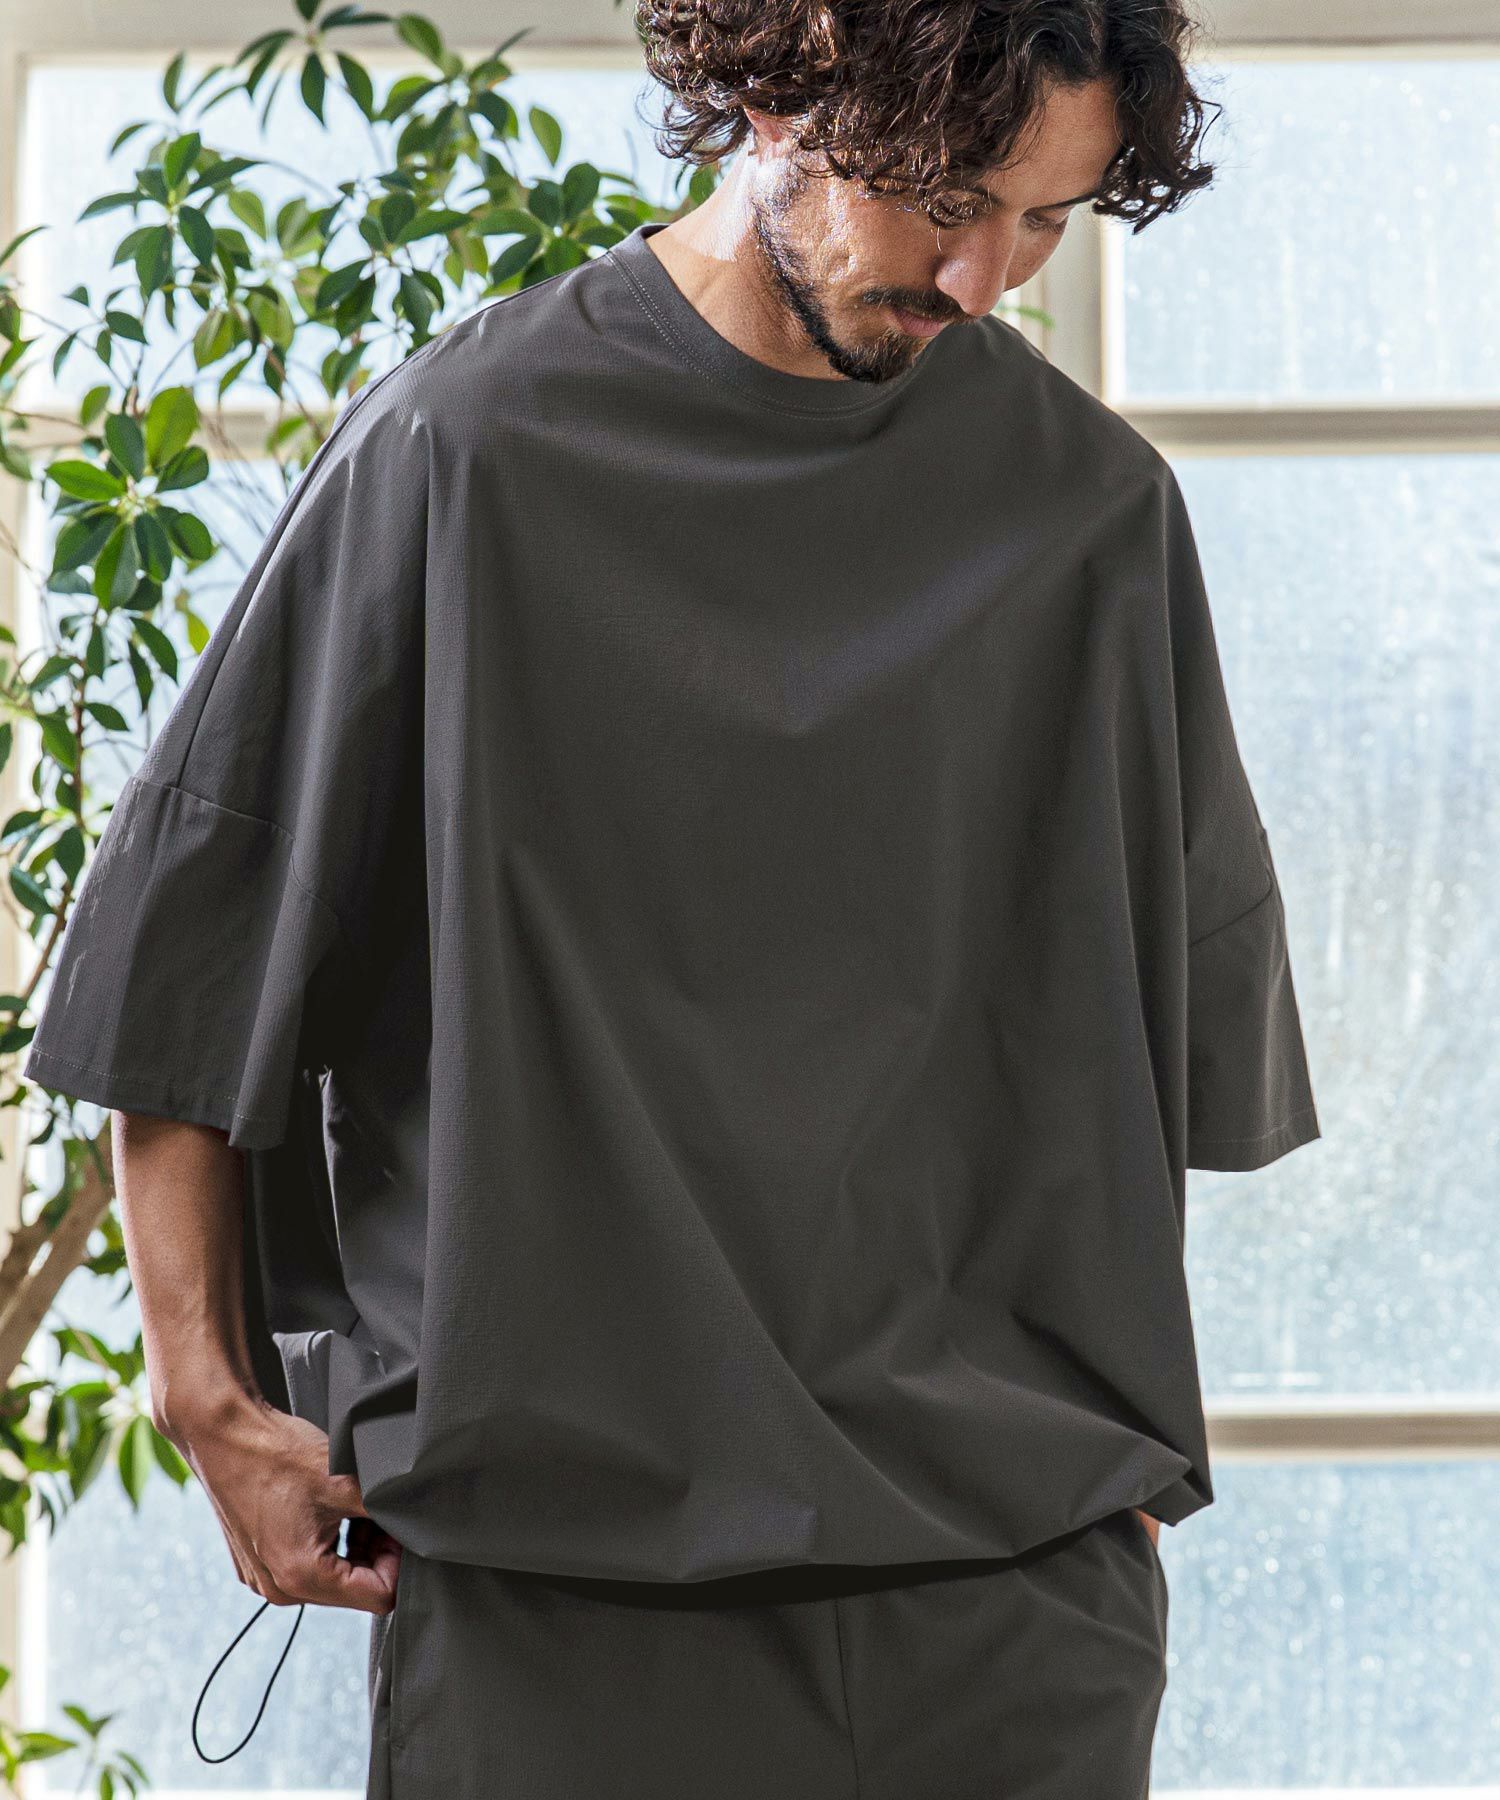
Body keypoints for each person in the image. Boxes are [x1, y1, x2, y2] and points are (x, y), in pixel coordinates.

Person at [25, 1, 1322, 1794]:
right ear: (787, 81)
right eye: (949, 197)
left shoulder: (1092, 512)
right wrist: (202, 1394)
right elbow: (185, 969)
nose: (981, 278)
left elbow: (1165, 1052)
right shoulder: (461, 450)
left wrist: (1101, 1502)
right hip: (554, 1605)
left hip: (1010, 1611)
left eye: (1046, 219)